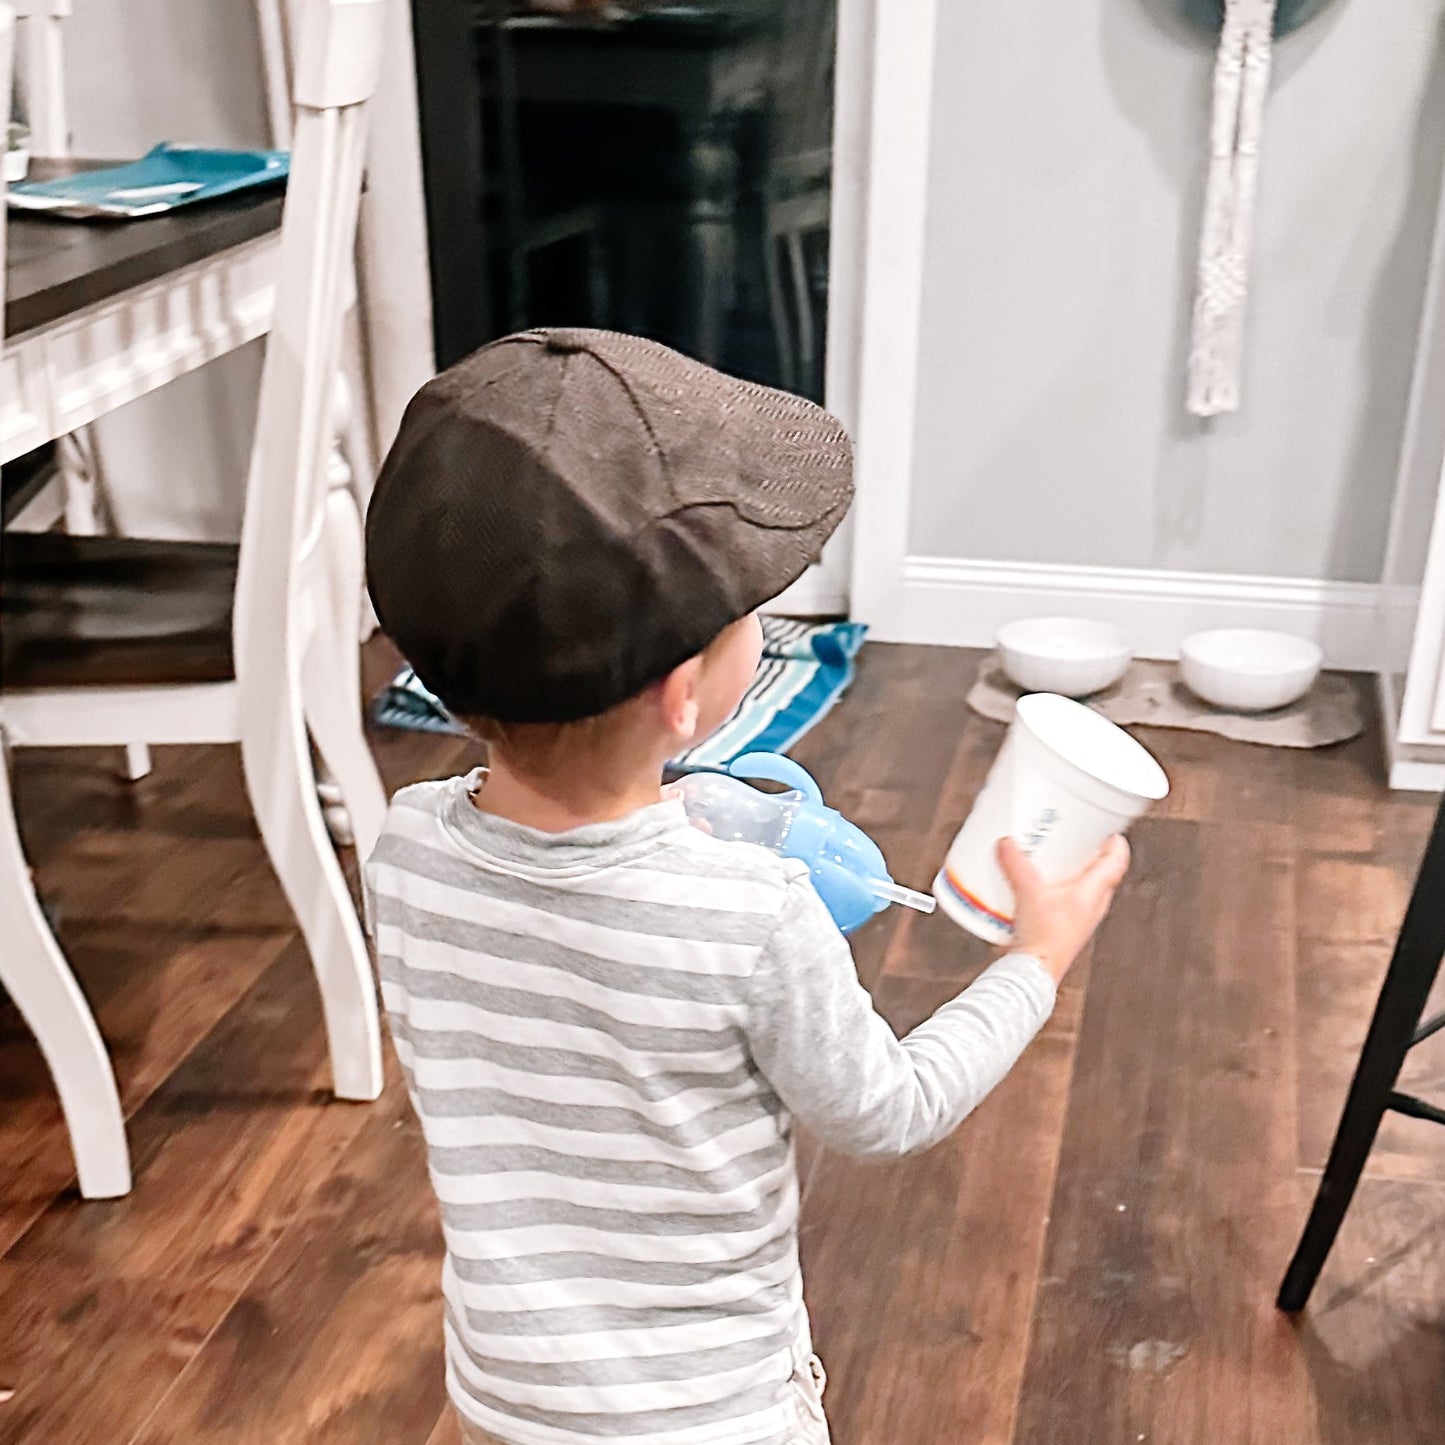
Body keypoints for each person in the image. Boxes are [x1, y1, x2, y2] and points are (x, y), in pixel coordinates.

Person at [362, 328, 1130, 1445]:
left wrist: (670, 815)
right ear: (685, 694)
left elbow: (560, 935)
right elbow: (888, 1106)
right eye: (751, 612)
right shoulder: (747, 914)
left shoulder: (405, 846)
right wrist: (1033, 962)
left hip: (504, 1398)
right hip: (712, 1415)